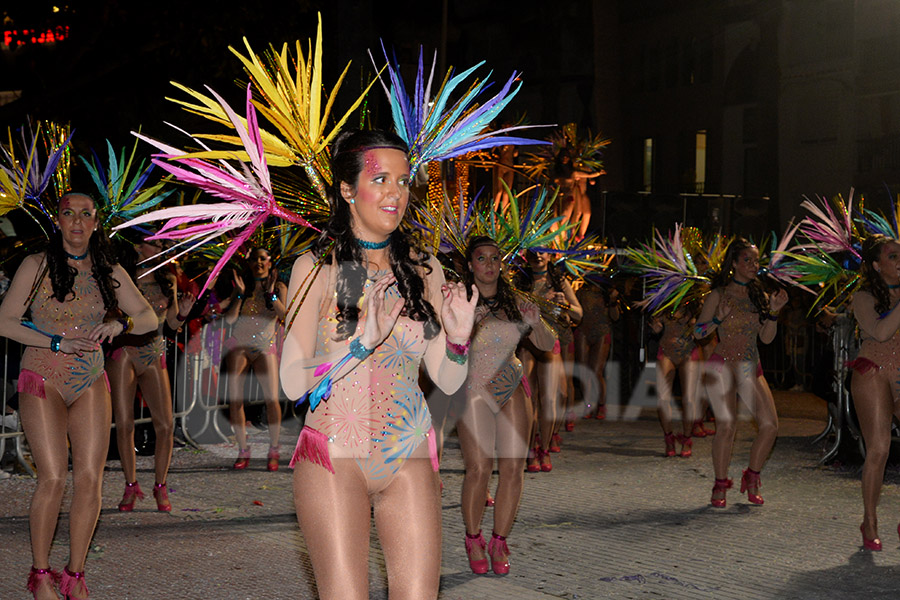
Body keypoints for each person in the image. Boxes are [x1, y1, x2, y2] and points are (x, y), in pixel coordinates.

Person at [279, 129, 477, 600]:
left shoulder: (424, 268)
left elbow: (446, 378)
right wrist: (360, 344)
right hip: (333, 454)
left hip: (406, 451)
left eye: (404, 181)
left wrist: (459, 340)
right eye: (381, 179)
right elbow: (290, 383)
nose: (396, 193)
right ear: (347, 190)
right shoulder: (317, 267)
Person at [0, 192, 157, 600]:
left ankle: (74, 575)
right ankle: (40, 575)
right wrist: (54, 343)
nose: (77, 222)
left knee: (90, 479)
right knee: (53, 477)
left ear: (96, 223)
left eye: (86, 215)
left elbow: (148, 316)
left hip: (89, 378)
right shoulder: (35, 266)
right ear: (58, 219)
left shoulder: (109, 269)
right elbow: (5, 322)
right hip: (42, 376)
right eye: (69, 214)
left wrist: (120, 324)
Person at [458, 236, 554, 575]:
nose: (488, 264)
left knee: (513, 468)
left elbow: (547, 343)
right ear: (471, 264)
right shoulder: (459, 299)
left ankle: (499, 540)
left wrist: (535, 320)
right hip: (472, 388)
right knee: (479, 469)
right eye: (481, 258)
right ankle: (473, 538)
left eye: (494, 258)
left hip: (511, 383)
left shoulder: (515, 301)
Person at [694, 237, 787, 508]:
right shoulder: (718, 294)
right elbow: (698, 333)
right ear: (734, 263)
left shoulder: (759, 295)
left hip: (750, 365)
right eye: (747, 260)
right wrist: (716, 319)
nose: (753, 265)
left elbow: (767, 339)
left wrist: (773, 313)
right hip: (722, 365)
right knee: (726, 426)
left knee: (770, 426)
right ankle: (720, 484)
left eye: (756, 261)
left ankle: (752, 476)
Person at [109, 240, 194, 512]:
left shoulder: (167, 278)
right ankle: (130, 485)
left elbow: (170, 325)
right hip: (123, 352)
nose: (160, 247)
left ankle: (160, 486)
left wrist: (182, 313)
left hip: (154, 352)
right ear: (137, 246)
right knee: (124, 424)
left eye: (162, 243)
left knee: (166, 425)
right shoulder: (120, 277)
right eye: (154, 243)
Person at [848, 234, 900, 551]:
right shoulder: (863, 297)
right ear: (877, 265)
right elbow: (881, 333)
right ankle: (869, 521)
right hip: (873, 373)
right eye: (893, 256)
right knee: (879, 449)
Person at [517, 251, 582, 472]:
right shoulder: (518, 280)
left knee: (551, 400)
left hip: (550, 344)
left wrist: (564, 305)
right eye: (533, 252)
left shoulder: (559, 281)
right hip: (526, 344)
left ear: (551, 254)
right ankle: (530, 450)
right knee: (529, 401)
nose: (538, 256)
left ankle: (543, 448)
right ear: (526, 255)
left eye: (543, 251)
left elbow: (578, 314)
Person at [224, 247, 287, 471]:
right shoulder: (243, 285)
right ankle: (243, 449)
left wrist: (271, 295)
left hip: (264, 346)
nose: (258, 263)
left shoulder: (278, 287)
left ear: (270, 262)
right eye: (254, 259)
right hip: (240, 345)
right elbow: (230, 318)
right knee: (235, 400)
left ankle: (274, 448)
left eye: (263, 258)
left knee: (271, 399)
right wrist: (239, 294)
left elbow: (285, 315)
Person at [649, 303, 701, 458]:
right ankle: (669, 438)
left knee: (689, 400)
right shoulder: (664, 305)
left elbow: (703, 329)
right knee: (662, 399)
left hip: (688, 352)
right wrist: (656, 327)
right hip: (666, 352)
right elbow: (656, 327)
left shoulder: (695, 304)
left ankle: (686, 439)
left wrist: (696, 324)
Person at [575, 280, 619, 421]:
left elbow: (615, 317)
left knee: (596, 371)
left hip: (601, 331)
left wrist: (612, 301)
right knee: (583, 370)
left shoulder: (607, 291)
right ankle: (588, 404)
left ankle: (601, 404)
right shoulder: (580, 288)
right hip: (583, 330)